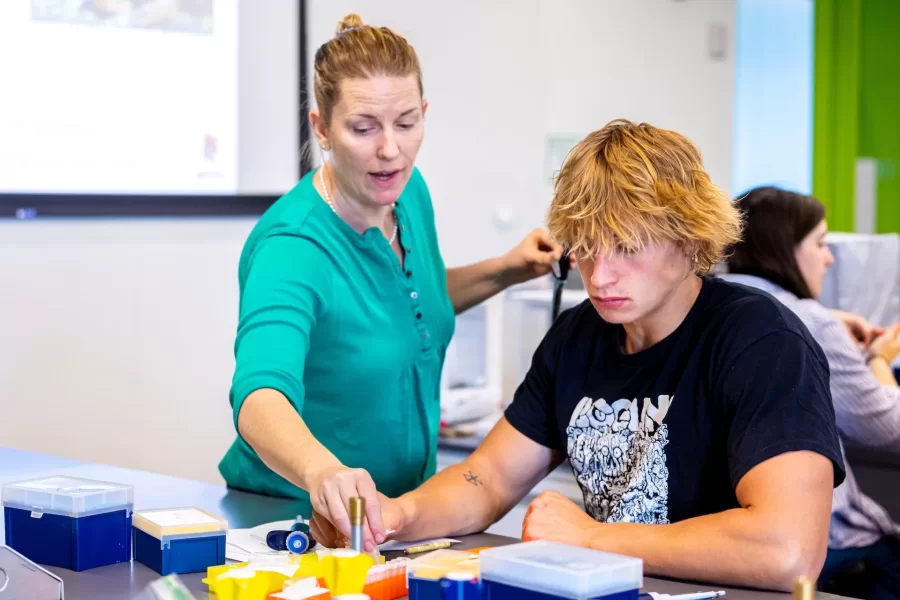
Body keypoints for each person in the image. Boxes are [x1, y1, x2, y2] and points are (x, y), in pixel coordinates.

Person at [310, 120, 847, 591]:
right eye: (585, 247)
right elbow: (489, 478)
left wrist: (593, 538)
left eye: (626, 247)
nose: (599, 275)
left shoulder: (763, 342)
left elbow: (787, 551)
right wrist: (397, 514)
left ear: (689, 238)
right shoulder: (579, 336)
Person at [218, 13, 565, 552]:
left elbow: (408, 308)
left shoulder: (407, 194)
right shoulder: (294, 248)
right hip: (300, 525)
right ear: (320, 128)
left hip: (403, 514)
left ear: (424, 112)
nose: (389, 150)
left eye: (406, 123)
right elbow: (259, 394)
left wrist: (510, 268)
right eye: (363, 128)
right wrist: (323, 473)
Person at [722, 186, 900, 600]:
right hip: (831, 546)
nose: (829, 257)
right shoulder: (811, 324)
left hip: (736, 531)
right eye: (819, 243)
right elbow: (890, 428)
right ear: (783, 248)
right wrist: (879, 357)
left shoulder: (716, 309)